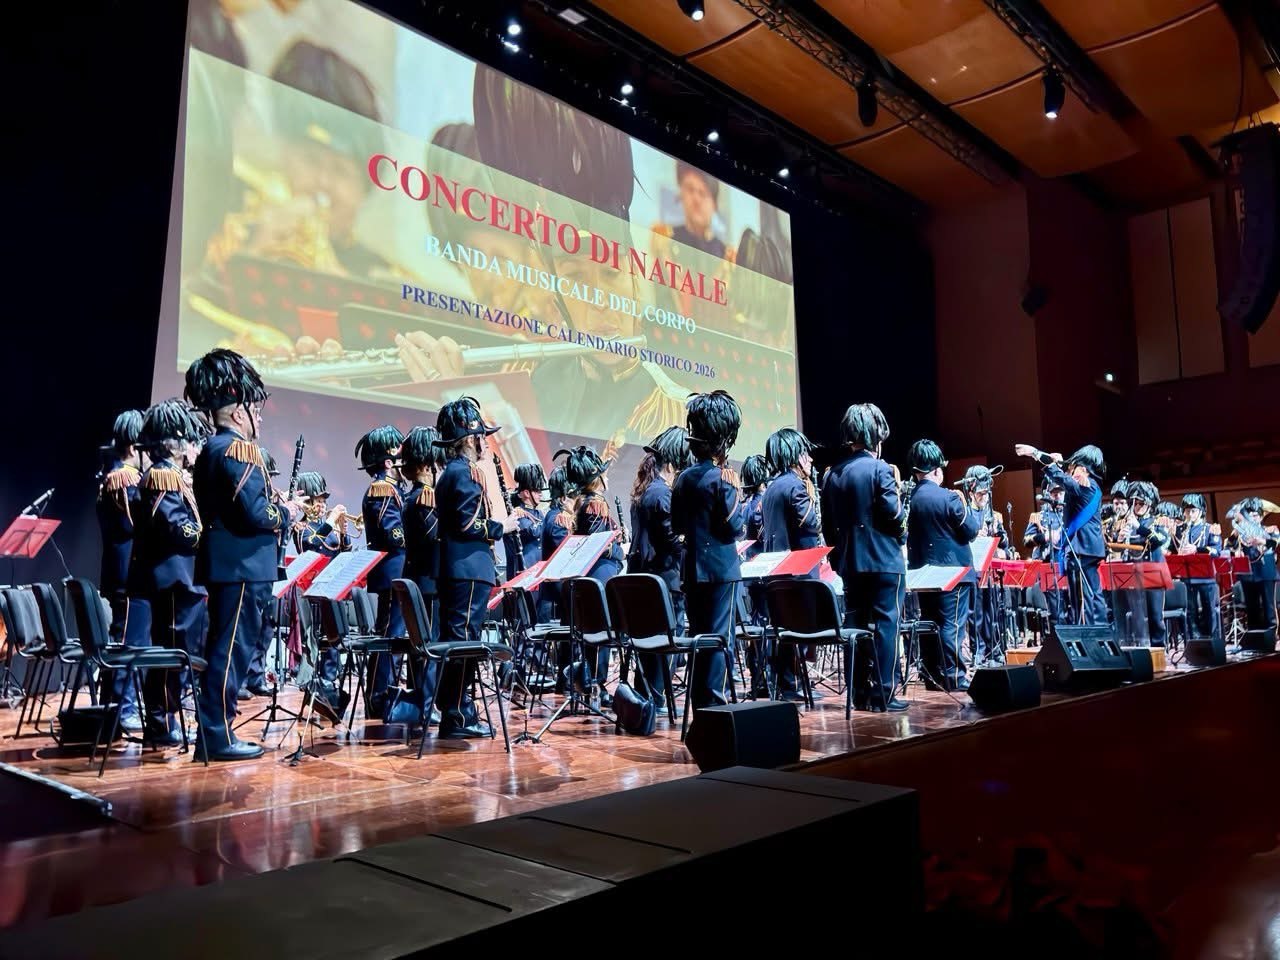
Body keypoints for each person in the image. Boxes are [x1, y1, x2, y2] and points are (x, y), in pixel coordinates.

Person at [185, 348, 302, 762]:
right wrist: (286, 512)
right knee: (229, 653)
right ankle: (215, 735)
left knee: (227, 650)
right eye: (255, 409)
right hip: (240, 567)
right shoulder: (236, 449)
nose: (259, 417)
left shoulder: (214, 448)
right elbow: (254, 512)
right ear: (238, 414)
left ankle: (217, 732)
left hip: (231, 566)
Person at [433, 396, 519, 737]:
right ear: (470, 439)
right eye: (482, 435)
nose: (485, 442)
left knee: (459, 642)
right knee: (462, 644)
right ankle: (457, 714)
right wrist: (503, 526)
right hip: (468, 570)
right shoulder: (467, 473)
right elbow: (468, 525)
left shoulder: (451, 473)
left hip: (461, 570)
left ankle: (456, 711)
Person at [129, 400, 209, 746]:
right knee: (169, 656)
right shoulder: (163, 475)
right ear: (176, 443)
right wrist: (210, 535)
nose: (193, 448)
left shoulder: (172, 475)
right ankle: (160, 724)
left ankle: (166, 720)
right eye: (190, 441)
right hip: (173, 579)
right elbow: (175, 526)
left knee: (175, 655)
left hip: (180, 578)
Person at [819, 403, 907, 711]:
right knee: (886, 625)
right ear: (876, 436)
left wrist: (840, 556)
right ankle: (884, 694)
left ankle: (857, 693)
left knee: (855, 625)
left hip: (849, 564)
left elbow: (827, 526)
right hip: (884, 561)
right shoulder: (880, 469)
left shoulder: (832, 476)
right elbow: (894, 515)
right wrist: (902, 534)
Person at [671, 390, 745, 708]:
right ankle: (715, 706)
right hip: (720, 569)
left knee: (701, 639)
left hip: (692, 569)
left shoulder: (682, 479)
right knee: (719, 640)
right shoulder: (723, 478)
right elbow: (735, 527)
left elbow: (677, 527)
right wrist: (736, 490)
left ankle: (703, 707)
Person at [906, 440, 979, 692]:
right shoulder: (949, 497)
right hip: (953, 573)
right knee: (952, 625)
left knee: (929, 623)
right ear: (938, 469)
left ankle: (932, 676)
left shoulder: (910, 499)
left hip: (923, 574)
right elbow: (971, 530)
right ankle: (954, 677)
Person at [627, 427, 691, 707]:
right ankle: (657, 696)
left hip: (645, 578)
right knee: (665, 642)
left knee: (648, 641)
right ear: (674, 462)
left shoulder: (644, 493)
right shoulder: (663, 494)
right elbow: (670, 541)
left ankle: (647, 696)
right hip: (665, 579)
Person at [96, 409, 151, 731]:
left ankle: (120, 705)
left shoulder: (116, 476)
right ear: (134, 447)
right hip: (130, 577)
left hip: (124, 575)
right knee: (128, 645)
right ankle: (122, 707)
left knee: (127, 642)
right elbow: (140, 527)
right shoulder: (125, 479)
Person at [1015, 443, 1109, 626]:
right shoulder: (1093, 486)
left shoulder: (1085, 486)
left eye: (1074, 468)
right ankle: (1094, 636)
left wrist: (1035, 453)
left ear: (1083, 469)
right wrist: (1061, 463)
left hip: (1081, 549)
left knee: (1081, 600)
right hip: (1089, 548)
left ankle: (1086, 639)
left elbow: (1061, 478)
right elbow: (1066, 476)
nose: (1071, 472)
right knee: (1090, 598)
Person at [761, 427, 822, 700]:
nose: (810, 459)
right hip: (798, 571)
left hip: (776, 570)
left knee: (783, 632)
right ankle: (792, 686)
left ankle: (789, 685)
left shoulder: (771, 488)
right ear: (796, 456)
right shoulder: (796, 486)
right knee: (797, 631)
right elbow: (811, 524)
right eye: (806, 453)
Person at [562, 445, 624, 699]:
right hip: (601, 575)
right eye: (604, 474)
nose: (607, 478)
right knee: (602, 633)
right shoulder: (596, 504)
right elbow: (600, 545)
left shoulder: (582, 503)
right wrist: (618, 547)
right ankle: (596, 683)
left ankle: (589, 680)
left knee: (593, 633)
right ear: (596, 478)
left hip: (590, 576)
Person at [291, 469, 352, 721]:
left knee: (335, 641)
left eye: (324, 499)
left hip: (333, 592)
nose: (322, 504)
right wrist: (329, 525)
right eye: (318, 500)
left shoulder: (325, 526)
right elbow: (311, 545)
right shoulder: (300, 526)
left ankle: (331, 683)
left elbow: (344, 551)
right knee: (319, 642)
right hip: (312, 594)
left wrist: (344, 531)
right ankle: (320, 684)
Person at [356, 425, 406, 716]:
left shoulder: (390, 488)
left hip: (394, 571)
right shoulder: (382, 488)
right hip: (392, 571)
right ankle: (378, 696)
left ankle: (382, 693)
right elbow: (393, 534)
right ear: (388, 462)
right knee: (390, 635)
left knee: (392, 635)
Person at [963, 465, 1009, 666]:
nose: (984, 496)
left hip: (990, 569)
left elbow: (1005, 542)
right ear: (971, 491)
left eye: (986, 493)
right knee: (976, 614)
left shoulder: (995, 515)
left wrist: (999, 537)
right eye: (980, 493)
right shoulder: (965, 513)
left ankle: (993, 648)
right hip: (972, 568)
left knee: (992, 612)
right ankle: (978, 650)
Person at [1117, 482, 1170, 646]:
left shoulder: (1157, 521)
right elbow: (1119, 549)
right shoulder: (1126, 522)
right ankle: (1138, 648)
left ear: (1149, 504)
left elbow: (1158, 541)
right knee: (1136, 616)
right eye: (1135, 503)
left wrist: (1138, 527)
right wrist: (1119, 539)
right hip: (1133, 574)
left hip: (1153, 572)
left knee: (1155, 616)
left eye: (1142, 503)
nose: (1137, 506)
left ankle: (1158, 649)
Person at [1229, 497, 1278, 635]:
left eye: (1255, 515)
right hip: (1248, 573)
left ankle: (1271, 638)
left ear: (1262, 516)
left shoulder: (1271, 529)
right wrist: (1234, 536)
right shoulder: (1241, 531)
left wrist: (1261, 540)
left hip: (1266, 571)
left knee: (1269, 608)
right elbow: (1229, 547)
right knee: (1252, 608)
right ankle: (1255, 638)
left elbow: (1274, 544)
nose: (1252, 518)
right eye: (1248, 515)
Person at [1177, 493, 1222, 641]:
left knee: (1209, 611)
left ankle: (1212, 641)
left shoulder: (1210, 529)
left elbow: (1216, 551)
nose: (1189, 514)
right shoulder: (1183, 530)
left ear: (1201, 511)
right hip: (1188, 578)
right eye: (1187, 511)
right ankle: (1194, 642)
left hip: (1206, 578)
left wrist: (1197, 550)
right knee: (1191, 612)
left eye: (1193, 511)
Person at [1023, 479, 1066, 622]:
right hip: (1047, 566)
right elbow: (1027, 541)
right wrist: (1045, 537)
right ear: (1047, 494)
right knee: (1055, 611)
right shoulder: (1038, 517)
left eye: (1060, 492)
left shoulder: (1068, 515)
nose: (1058, 496)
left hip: (1066, 565)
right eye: (1054, 493)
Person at [539, 465, 575, 624]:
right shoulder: (558, 520)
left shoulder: (553, 516)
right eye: (573, 495)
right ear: (563, 498)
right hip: (558, 594)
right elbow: (569, 557)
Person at [504, 464, 546, 576]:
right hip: (525, 571)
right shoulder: (518, 513)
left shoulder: (538, 513)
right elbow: (533, 531)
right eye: (537, 491)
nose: (540, 494)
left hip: (539, 570)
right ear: (527, 493)